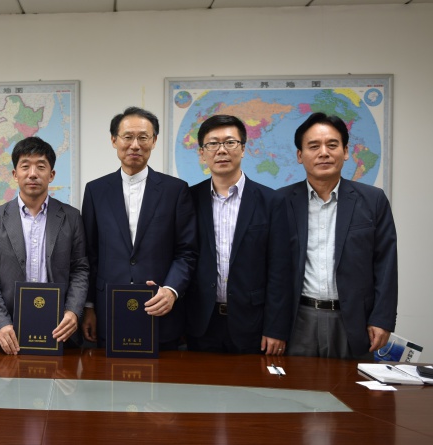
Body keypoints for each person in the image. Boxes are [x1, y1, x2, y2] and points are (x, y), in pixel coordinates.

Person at [281, 112, 398, 359]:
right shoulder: (280, 201)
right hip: (298, 319)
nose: (324, 153)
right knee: (296, 383)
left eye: (332, 145)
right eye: (314, 146)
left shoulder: (373, 200)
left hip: (355, 320)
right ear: (300, 155)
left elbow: (386, 264)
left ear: (345, 152)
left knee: (353, 384)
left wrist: (382, 318)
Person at [81, 106, 197, 349]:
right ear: (114, 140)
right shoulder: (95, 191)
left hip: (160, 308)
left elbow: (186, 251)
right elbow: (90, 254)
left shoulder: (175, 190)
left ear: (154, 141)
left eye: (143, 137)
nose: (135, 145)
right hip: (108, 310)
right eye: (128, 137)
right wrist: (89, 306)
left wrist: (171, 290)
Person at [186, 115, 292, 355]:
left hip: (253, 324)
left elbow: (280, 270)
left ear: (243, 149)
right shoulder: (189, 200)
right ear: (202, 153)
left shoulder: (271, 201)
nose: (221, 150)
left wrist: (276, 328)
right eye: (213, 144)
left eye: (230, 142)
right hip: (201, 323)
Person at [0, 136, 89, 355]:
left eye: (40, 166)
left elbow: (80, 269)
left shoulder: (71, 217)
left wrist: (73, 311)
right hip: (8, 331)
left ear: (52, 175)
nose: (32, 174)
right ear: (14, 174)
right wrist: (0, 323)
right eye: (25, 166)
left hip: (59, 329)